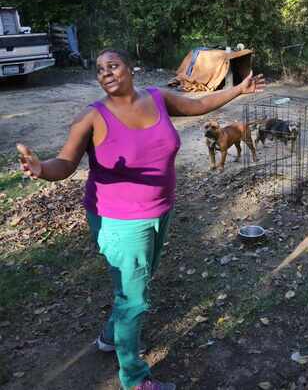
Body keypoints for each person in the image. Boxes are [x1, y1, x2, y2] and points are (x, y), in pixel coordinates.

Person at [16, 49, 264, 390]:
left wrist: (237, 89)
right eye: (100, 69)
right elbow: (66, 164)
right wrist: (42, 169)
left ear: (130, 69)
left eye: (113, 65)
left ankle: (108, 337)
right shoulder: (91, 117)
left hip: (160, 210)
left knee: (135, 285)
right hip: (119, 222)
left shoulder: (158, 98)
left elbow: (199, 105)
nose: (106, 72)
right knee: (134, 300)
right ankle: (134, 380)